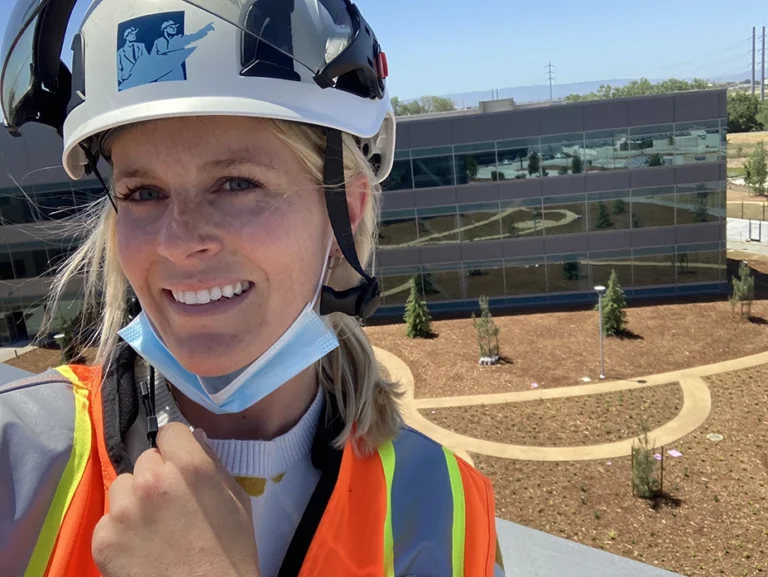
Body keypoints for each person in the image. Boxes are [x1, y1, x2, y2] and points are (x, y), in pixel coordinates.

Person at [0, 1, 505, 576]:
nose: (177, 241)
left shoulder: (444, 511)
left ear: (347, 209)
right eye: (143, 192)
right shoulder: (17, 461)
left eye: (236, 183)